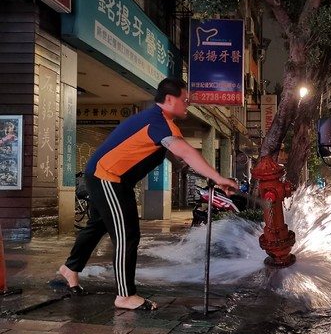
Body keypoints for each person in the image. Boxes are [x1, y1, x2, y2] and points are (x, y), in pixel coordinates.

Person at [59, 77, 238, 311]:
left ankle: (70, 269)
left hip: (108, 177)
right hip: (108, 178)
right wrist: (219, 178)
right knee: (127, 234)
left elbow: (176, 154)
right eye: (185, 100)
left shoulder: (159, 122)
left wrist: (196, 170)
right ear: (170, 99)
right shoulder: (159, 122)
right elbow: (186, 152)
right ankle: (125, 295)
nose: (187, 105)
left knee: (98, 225)